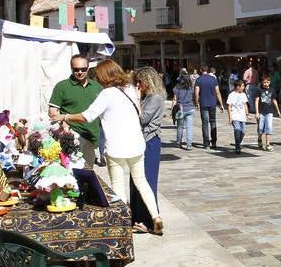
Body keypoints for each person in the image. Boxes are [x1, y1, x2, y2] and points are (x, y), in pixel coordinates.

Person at [50, 60, 163, 235]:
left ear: (103, 76)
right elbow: (139, 113)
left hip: (116, 146)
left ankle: (123, 222)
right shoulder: (131, 89)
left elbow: (87, 116)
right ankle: (156, 217)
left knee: (118, 184)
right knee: (141, 181)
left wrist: (65, 116)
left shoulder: (106, 94)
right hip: (136, 143)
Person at [48, 54, 102, 168]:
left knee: (87, 171)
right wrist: (64, 125)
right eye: (76, 69)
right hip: (72, 136)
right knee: (70, 172)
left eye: (83, 69)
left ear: (88, 68)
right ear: (71, 68)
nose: (80, 72)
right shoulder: (62, 86)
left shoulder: (97, 87)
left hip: (92, 136)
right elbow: (53, 113)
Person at [129, 67, 165, 234]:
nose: (137, 85)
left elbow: (143, 119)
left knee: (147, 181)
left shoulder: (155, 98)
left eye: (139, 81)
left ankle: (149, 220)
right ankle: (137, 217)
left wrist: (136, 100)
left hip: (149, 142)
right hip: (139, 141)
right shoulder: (147, 97)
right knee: (135, 180)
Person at [195, 64, 224, 149]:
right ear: (207, 70)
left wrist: (196, 103)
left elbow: (196, 93)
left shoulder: (199, 80)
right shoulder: (213, 79)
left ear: (201, 70)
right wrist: (221, 104)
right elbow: (218, 92)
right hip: (212, 103)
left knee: (205, 123)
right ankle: (214, 142)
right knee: (213, 122)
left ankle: (206, 143)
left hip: (203, 103)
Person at [255, 76, 281, 151]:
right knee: (260, 128)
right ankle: (259, 139)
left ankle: (268, 144)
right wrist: (257, 112)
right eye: (264, 82)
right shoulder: (259, 90)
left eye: (267, 82)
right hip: (261, 112)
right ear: (262, 82)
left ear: (269, 82)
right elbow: (256, 101)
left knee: (269, 127)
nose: (266, 84)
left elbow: (274, 100)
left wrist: (278, 111)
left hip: (270, 111)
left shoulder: (272, 90)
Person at [172, 74, 196, 150]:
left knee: (179, 127)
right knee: (189, 128)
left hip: (180, 109)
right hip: (190, 109)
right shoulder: (191, 87)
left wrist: (172, 108)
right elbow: (194, 96)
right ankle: (189, 145)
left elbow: (175, 99)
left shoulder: (177, 87)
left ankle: (178, 142)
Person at [226, 80, 250, 153]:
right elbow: (229, 107)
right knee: (237, 130)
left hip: (242, 116)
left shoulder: (243, 94)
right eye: (242, 86)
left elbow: (245, 105)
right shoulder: (231, 95)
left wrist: (247, 114)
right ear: (238, 87)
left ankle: (238, 143)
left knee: (243, 131)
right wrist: (230, 117)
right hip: (235, 116)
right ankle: (237, 146)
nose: (244, 87)